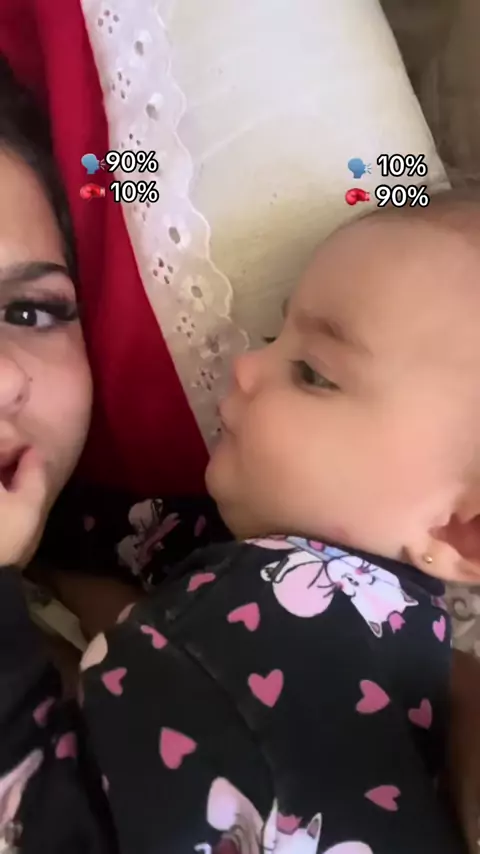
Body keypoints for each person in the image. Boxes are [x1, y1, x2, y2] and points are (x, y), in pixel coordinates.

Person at [0, 49, 478, 854]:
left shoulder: (312, 642)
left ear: (462, 528)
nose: (246, 365)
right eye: (279, 336)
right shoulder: (282, 604)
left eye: (314, 374)